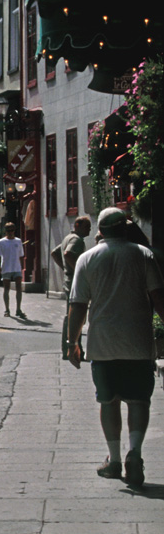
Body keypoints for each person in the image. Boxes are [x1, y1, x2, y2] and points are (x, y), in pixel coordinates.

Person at [68, 207, 164, 487]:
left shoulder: (87, 259)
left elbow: (78, 306)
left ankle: (114, 460)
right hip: (138, 341)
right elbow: (159, 299)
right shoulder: (142, 255)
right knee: (138, 400)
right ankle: (134, 452)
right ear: (125, 228)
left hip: (103, 343)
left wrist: (72, 342)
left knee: (107, 401)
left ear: (100, 230)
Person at [52, 215, 91, 357]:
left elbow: (55, 253)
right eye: (87, 227)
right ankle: (72, 348)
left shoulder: (67, 238)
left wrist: (65, 268)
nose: (89, 230)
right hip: (74, 280)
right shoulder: (76, 240)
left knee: (70, 314)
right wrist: (77, 269)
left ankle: (67, 348)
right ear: (78, 226)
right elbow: (67, 254)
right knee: (75, 314)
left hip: (68, 279)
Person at [0, 221, 26, 318]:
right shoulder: (1, 242)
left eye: (12, 230)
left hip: (16, 267)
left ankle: (18, 309)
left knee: (19, 288)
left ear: (14, 231)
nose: (10, 232)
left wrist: (22, 266)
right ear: (5, 231)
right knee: (6, 288)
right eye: (8, 230)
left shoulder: (18, 241)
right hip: (6, 267)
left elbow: (21, 255)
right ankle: (7, 309)